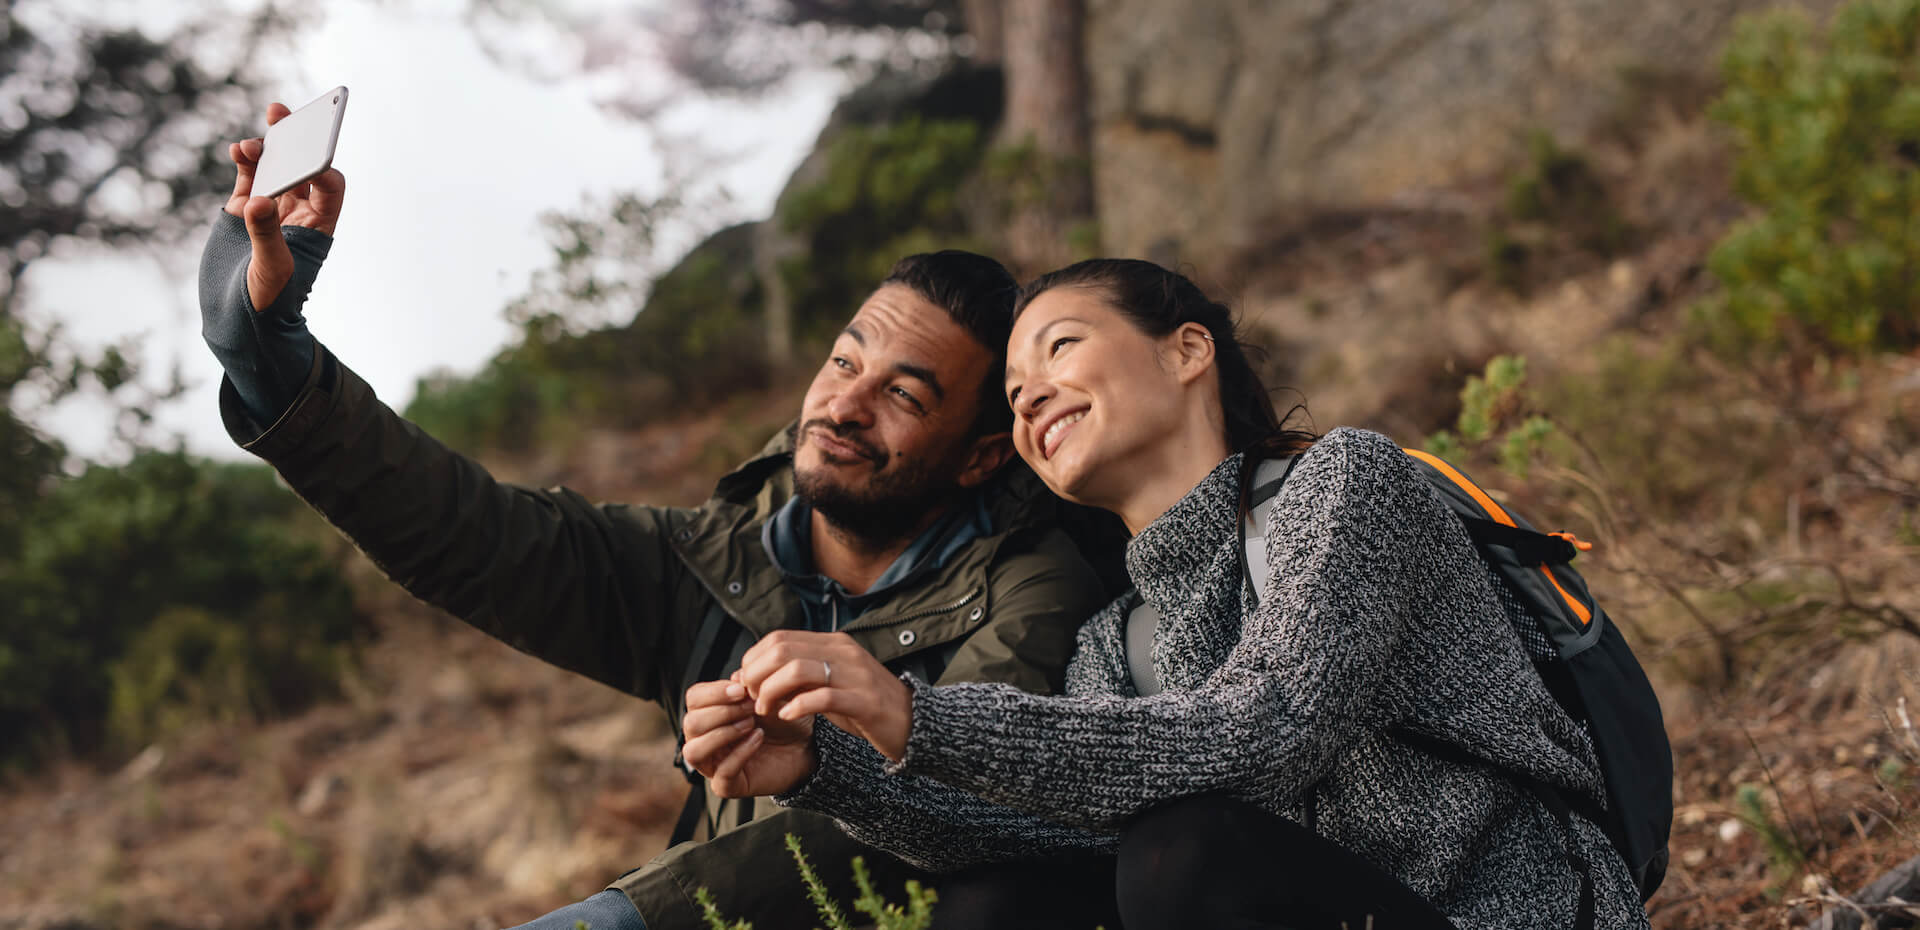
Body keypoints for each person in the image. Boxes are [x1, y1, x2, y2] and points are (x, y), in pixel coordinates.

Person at [197, 104, 1118, 930]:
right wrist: (272, 358)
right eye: (845, 364)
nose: (845, 406)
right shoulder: (715, 563)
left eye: (905, 396)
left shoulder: (1034, 591)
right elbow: (470, 535)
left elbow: (947, 804)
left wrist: (622, 920)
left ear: (981, 454)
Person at [682, 259, 1654, 930]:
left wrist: (916, 713)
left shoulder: (1347, 486)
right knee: (992, 906)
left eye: (1058, 349)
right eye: (1012, 391)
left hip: (1506, 912)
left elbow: (1269, 729)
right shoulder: (1118, 637)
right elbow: (1038, 830)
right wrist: (827, 768)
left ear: (1188, 351)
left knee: (1182, 857)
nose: (1028, 396)